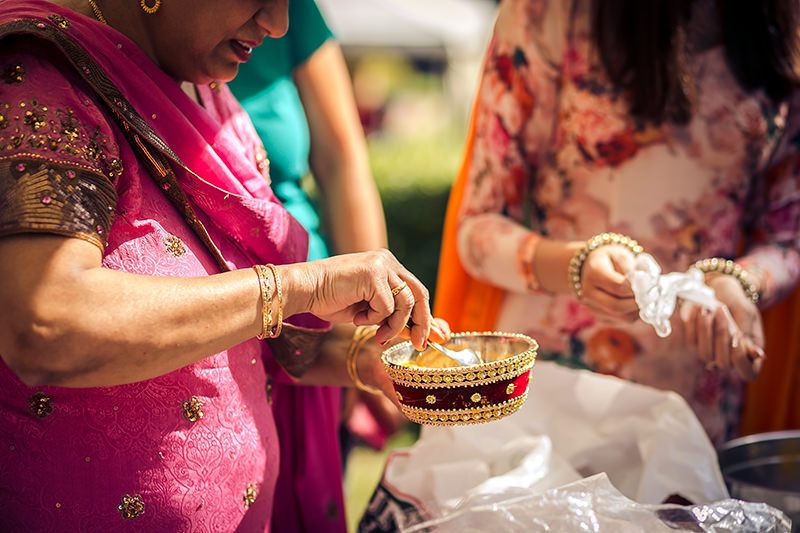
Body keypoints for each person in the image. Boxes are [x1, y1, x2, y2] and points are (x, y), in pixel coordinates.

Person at [0, 1, 447, 530]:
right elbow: (46, 324)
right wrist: (300, 286)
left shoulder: (201, 91)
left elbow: (229, 326)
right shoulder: (39, 82)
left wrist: (361, 360)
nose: (279, 24)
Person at [436, 0, 800, 444]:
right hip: (558, 398)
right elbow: (477, 227)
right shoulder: (550, 14)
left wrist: (737, 283)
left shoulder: (783, 24)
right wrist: (576, 266)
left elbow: (788, 237)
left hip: (697, 399)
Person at [227, 2, 396, 530]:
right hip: (208, 326)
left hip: (311, 327)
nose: (276, 25)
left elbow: (343, 161)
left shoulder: (289, 13)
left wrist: (373, 333)